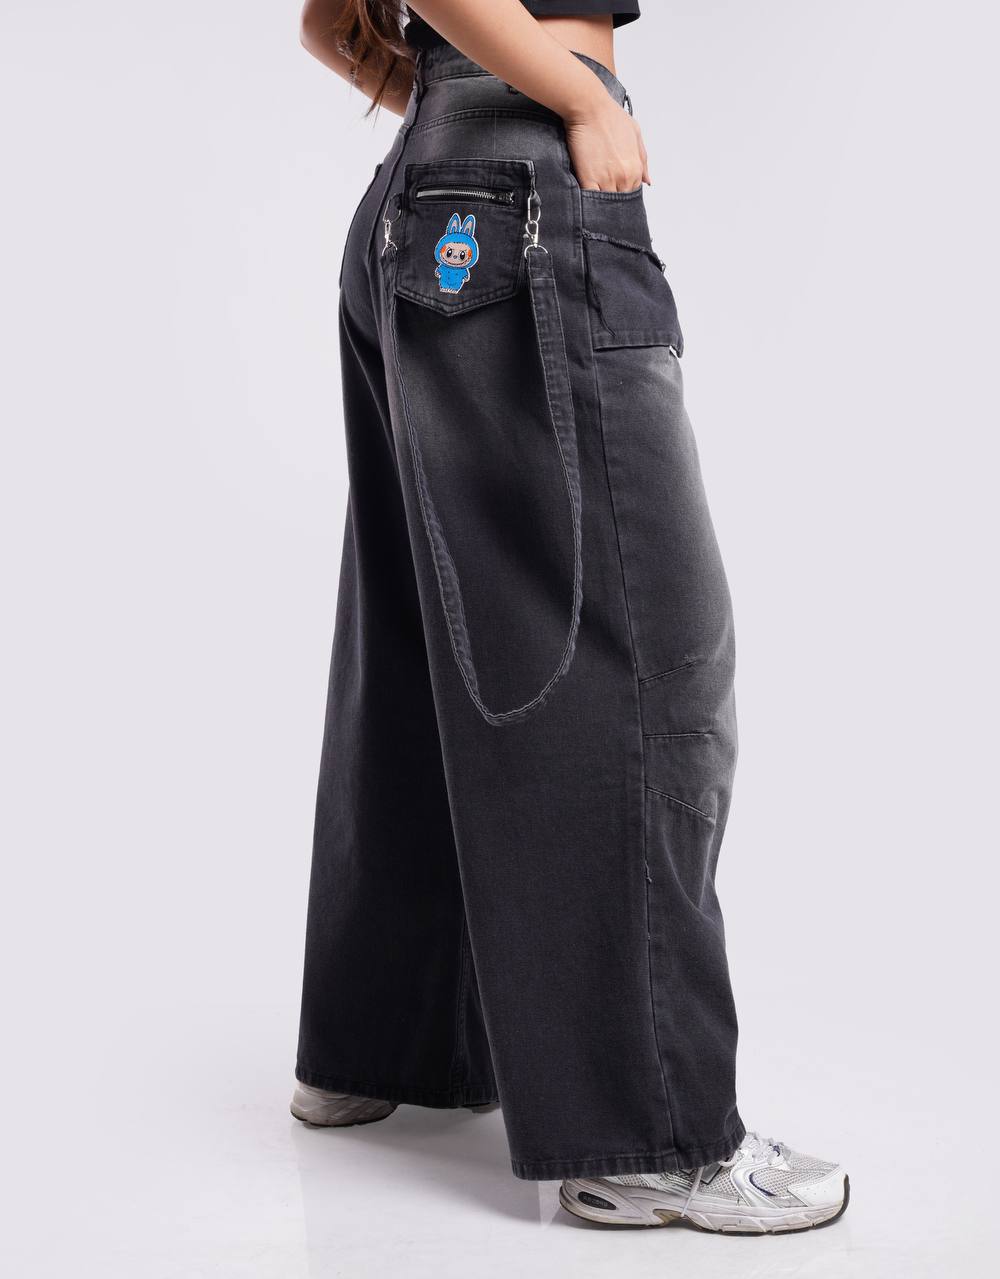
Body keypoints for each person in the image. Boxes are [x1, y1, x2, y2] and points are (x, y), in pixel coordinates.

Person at [292, 0, 849, 1233]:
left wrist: (457, 105)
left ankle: (380, 1044)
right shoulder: (562, 111)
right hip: (525, 177)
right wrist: (579, 97)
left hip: (430, 182)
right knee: (642, 652)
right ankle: (648, 1137)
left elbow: (333, 23)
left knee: (419, 629)